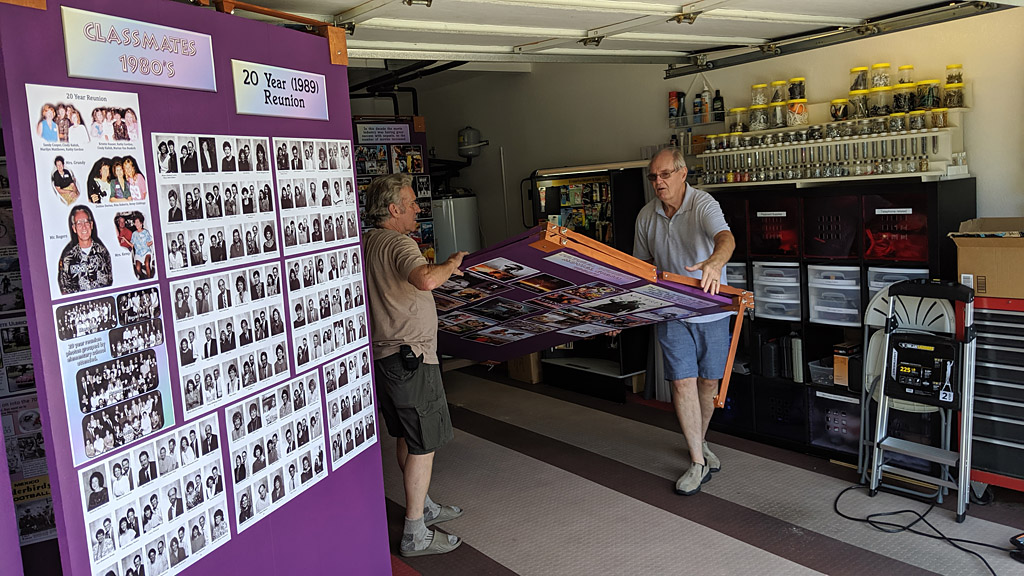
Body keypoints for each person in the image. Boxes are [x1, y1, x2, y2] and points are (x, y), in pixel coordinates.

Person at [363, 174, 466, 557]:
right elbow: (424, 279)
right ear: (394, 210)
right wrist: (451, 264)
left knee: (408, 437)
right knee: (424, 444)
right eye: (411, 203)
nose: (418, 209)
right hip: (412, 359)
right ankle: (415, 532)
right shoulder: (398, 242)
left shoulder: (369, 240)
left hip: (387, 357)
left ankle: (423, 505)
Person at [633, 148, 735, 496]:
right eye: (653, 177)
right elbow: (640, 267)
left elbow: (726, 239)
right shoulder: (646, 216)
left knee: (708, 384)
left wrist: (714, 263)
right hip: (671, 310)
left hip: (712, 309)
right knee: (681, 382)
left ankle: (700, 442)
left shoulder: (703, 204)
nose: (658, 182)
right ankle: (696, 460)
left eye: (664, 175)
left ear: (682, 174)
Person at [57, 205, 113, 295]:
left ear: (91, 225)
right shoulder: (67, 257)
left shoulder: (103, 253)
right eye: (79, 223)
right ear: (74, 228)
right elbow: (64, 289)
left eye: (86, 222)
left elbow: (109, 282)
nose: (84, 227)